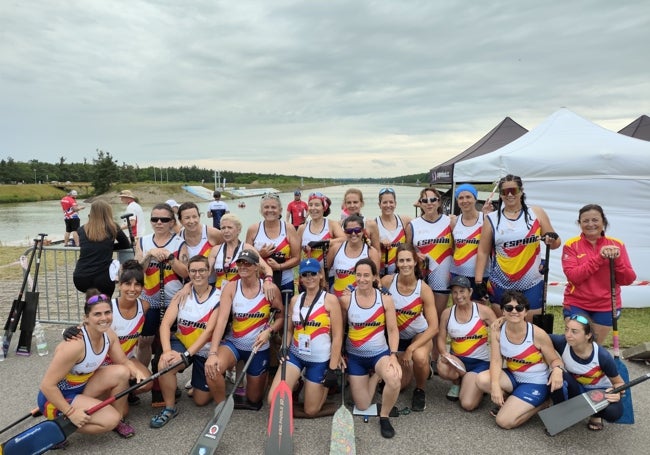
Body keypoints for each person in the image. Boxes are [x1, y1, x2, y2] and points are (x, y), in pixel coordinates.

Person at [37, 291, 147, 440]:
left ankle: (119, 420)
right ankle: (58, 428)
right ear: (86, 318)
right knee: (110, 419)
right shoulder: (75, 345)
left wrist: (136, 371)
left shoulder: (108, 334)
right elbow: (46, 385)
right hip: (57, 398)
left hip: (82, 387)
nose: (104, 318)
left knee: (122, 372)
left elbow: (123, 361)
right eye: (97, 314)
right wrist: (71, 413)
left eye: (107, 312)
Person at [205, 249, 284, 410]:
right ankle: (221, 406)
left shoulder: (270, 289)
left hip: (258, 346)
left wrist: (269, 331)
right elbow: (221, 321)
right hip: (234, 343)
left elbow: (281, 318)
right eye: (239, 263)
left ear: (257, 267)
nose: (242, 266)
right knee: (212, 369)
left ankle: (263, 376)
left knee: (254, 399)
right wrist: (212, 353)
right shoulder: (231, 288)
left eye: (247, 263)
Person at [474, 174, 561, 320]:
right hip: (501, 283)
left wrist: (551, 240)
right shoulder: (492, 218)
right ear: (500, 195)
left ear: (521, 191)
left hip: (531, 283)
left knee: (531, 329)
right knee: (505, 327)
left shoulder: (536, 213)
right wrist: (478, 281)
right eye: (504, 191)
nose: (509, 195)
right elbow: (483, 251)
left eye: (513, 190)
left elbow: (556, 243)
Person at [150, 255, 221, 428]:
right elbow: (165, 325)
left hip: (204, 349)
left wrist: (187, 355)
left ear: (209, 271)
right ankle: (169, 408)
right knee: (164, 364)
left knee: (200, 400)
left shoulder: (219, 296)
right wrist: (167, 352)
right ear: (188, 273)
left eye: (202, 270)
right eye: (193, 271)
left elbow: (209, 331)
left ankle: (214, 379)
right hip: (182, 343)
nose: (198, 275)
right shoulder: (181, 294)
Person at [476, 291, 564, 429]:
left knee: (504, 421)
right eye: (509, 308)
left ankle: (542, 404)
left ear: (526, 311)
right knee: (481, 379)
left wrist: (558, 370)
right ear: (503, 311)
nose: (514, 311)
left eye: (519, 308)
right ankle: (512, 399)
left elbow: (554, 360)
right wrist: (495, 386)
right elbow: (496, 361)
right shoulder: (497, 330)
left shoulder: (538, 334)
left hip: (536, 382)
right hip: (513, 377)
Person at [267, 258, 343, 416]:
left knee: (311, 410)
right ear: (300, 278)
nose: (310, 278)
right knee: (272, 400)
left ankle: (321, 388)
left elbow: (337, 337)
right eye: (305, 274)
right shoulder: (295, 300)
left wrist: (332, 369)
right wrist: (284, 347)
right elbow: (288, 331)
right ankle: (298, 385)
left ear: (320, 275)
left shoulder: (330, 300)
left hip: (319, 360)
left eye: (313, 274)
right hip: (296, 356)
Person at [340, 258, 402, 439]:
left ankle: (384, 416)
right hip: (355, 357)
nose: (362, 279)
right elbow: (338, 330)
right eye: (358, 275)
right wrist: (339, 355)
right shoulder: (346, 300)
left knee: (394, 378)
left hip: (379, 355)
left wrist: (393, 355)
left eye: (366, 275)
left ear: (375, 277)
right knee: (362, 405)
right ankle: (375, 376)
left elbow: (392, 330)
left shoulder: (385, 300)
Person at [135, 203, 187, 405]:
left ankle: (163, 383)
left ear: (172, 222)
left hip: (172, 300)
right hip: (149, 301)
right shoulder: (143, 241)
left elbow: (185, 272)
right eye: (155, 219)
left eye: (164, 219)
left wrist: (171, 258)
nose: (159, 223)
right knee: (145, 341)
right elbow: (137, 270)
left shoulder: (179, 243)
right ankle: (138, 380)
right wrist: (150, 254)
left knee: (168, 343)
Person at [561, 204, 636, 343]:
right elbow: (574, 277)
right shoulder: (571, 245)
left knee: (592, 346)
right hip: (577, 303)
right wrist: (599, 258)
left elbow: (628, 279)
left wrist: (617, 259)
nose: (590, 224)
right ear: (580, 223)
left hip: (606, 305)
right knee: (576, 343)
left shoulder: (617, 244)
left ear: (603, 221)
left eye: (595, 220)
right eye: (585, 221)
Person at [380, 244, 437, 412]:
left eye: (408, 260)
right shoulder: (387, 282)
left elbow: (434, 327)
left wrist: (411, 349)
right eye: (401, 261)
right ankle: (416, 369)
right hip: (396, 337)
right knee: (399, 385)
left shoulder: (424, 289)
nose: (405, 264)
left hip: (417, 335)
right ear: (396, 263)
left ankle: (420, 389)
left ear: (415, 263)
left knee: (419, 357)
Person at [549, 313, 624, 431]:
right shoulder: (562, 342)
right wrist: (557, 368)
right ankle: (563, 414)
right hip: (577, 389)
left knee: (613, 413)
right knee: (555, 377)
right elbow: (539, 335)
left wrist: (617, 393)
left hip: (598, 393)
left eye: (574, 331)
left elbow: (619, 383)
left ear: (588, 335)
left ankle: (596, 415)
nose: (568, 335)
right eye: (566, 329)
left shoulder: (602, 355)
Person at [437, 275, 496, 409]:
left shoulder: (484, 311)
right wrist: (444, 354)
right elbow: (440, 338)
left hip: (479, 364)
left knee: (468, 405)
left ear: (470, 292)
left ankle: (476, 384)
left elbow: (499, 336)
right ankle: (457, 383)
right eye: (455, 292)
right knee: (442, 366)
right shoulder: (447, 313)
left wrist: (496, 361)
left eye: (462, 291)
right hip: (458, 362)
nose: (458, 296)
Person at [406, 187, 452, 325]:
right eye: (425, 200)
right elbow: (406, 250)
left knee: (435, 322)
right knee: (421, 323)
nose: (429, 203)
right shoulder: (413, 225)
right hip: (421, 279)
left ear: (439, 202)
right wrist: (415, 254)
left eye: (433, 200)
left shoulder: (450, 222)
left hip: (442, 280)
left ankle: (435, 347)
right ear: (420, 203)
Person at [246, 193, 301, 299]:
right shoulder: (253, 229)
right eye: (266, 207)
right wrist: (260, 255)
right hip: (259, 281)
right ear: (261, 210)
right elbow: (246, 257)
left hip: (285, 280)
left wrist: (279, 267)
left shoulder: (288, 228)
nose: (270, 210)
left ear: (280, 210)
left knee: (284, 313)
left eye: (273, 207)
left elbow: (297, 258)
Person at [73, 200, 131, 297]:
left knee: (91, 305)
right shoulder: (113, 227)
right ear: (108, 212)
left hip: (81, 276)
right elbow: (125, 244)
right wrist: (108, 248)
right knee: (105, 306)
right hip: (102, 277)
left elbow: (87, 246)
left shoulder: (82, 229)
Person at [450, 184, 489, 301]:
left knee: (479, 310)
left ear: (475, 199)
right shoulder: (454, 221)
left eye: (468, 197)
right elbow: (453, 247)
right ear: (457, 201)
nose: (464, 201)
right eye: (460, 198)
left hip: (481, 274)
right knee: (460, 307)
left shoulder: (486, 219)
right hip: (458, 273)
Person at [327, 214, 380, 299]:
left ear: (363, 231)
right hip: (337, 299)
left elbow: (376, 279)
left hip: (361, 300)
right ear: (344, 232)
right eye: (349, 231)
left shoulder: (371, 252)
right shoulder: (335, 248)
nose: (353, 233)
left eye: (357, 230)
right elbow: (325, 271)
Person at [298, 191, 344, 270]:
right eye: (310, 205)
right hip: (309, 274)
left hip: (329, 274)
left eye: (317, 205)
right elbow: (296, 253)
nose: (313, 208)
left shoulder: (332, 225)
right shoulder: (302, 228)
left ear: (324, 208)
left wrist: (325, 243)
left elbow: (345, 239)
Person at [375, 187, 411, 276]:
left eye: (391, 202)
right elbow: (369, 248)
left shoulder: (405, 220)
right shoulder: (374, 224)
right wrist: (379, 243)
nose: (388, 205)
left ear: (395, 204)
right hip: (383, 272)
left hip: (402, 271)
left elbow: (423, 222)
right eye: (384, 202)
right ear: (379, 205)